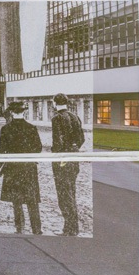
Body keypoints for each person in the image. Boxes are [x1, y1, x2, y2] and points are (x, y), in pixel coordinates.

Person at [0, 101, 42, 234]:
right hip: (29, 168)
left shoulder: (6, 129)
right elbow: (38, 148)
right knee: (32, 200)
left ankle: (19, 228)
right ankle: (37, 229)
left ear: (11, 112)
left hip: (12, 168)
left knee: (17, 200)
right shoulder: (32, 128)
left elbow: (1, 149)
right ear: (24, 112)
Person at [51, 93, 85, 236]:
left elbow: (57, 142)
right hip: (74, 158)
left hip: (62, 160)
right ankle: (72, 228)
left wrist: (57, 154)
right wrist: (73, 148)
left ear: (54, 103)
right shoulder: (75, 117)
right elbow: (81, 139)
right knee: (71, 192)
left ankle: (69, 228)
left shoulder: (57, 118)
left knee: (64, 195)